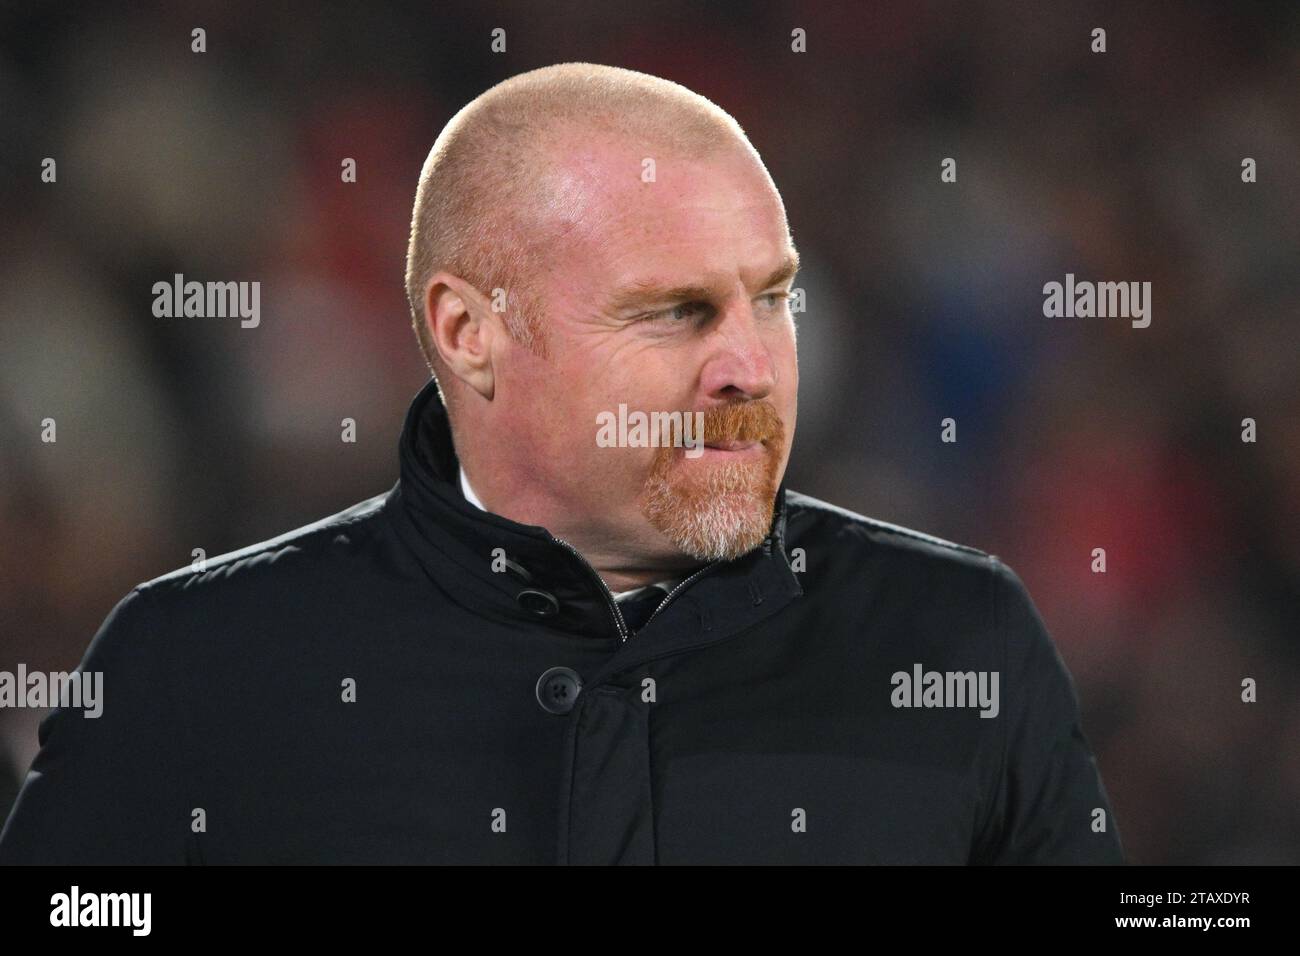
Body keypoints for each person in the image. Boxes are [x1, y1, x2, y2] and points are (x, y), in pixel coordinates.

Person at [0, 62, 1123, 864]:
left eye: (771, 297)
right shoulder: (196, 662)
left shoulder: (958, 634)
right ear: (470, 331)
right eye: (674, 310)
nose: (751, 365)